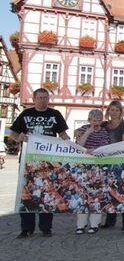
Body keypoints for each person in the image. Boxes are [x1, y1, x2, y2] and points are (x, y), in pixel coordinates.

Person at [10, 88, 69, 239]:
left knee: (48, 193)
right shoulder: (26, 114)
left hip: (48, 162)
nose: (43, 100)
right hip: (28, 161)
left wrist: (73, 147)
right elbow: (13, 134)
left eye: (46, 98)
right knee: (26, 193)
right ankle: (26, 228)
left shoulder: (55, 115)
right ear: (34, 98)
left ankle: (46, 227)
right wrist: (19, 138)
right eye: (40, 98)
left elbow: (63, 135)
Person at [74, 109, 110, 234]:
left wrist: (92, 150)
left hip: (97, 167)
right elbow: (79, 145)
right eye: (94, 120)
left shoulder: (104, 132)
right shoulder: (83, 129)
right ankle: (81, 224)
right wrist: (88, 132)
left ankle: (94, 224)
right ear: (89, 120)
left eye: (99, 120)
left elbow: (104, 148)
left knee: (96, 196)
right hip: (83, 168)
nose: (97, 123)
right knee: (83, 197)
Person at [100, 100, 124, 230]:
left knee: (123, 191)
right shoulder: (103, 125)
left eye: (116, 110)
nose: (114, 112)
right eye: (111, 110)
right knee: (109, 191)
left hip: (120, 162)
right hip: (107, 163)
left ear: (120, 112)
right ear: (108, 111)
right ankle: (110, 219)